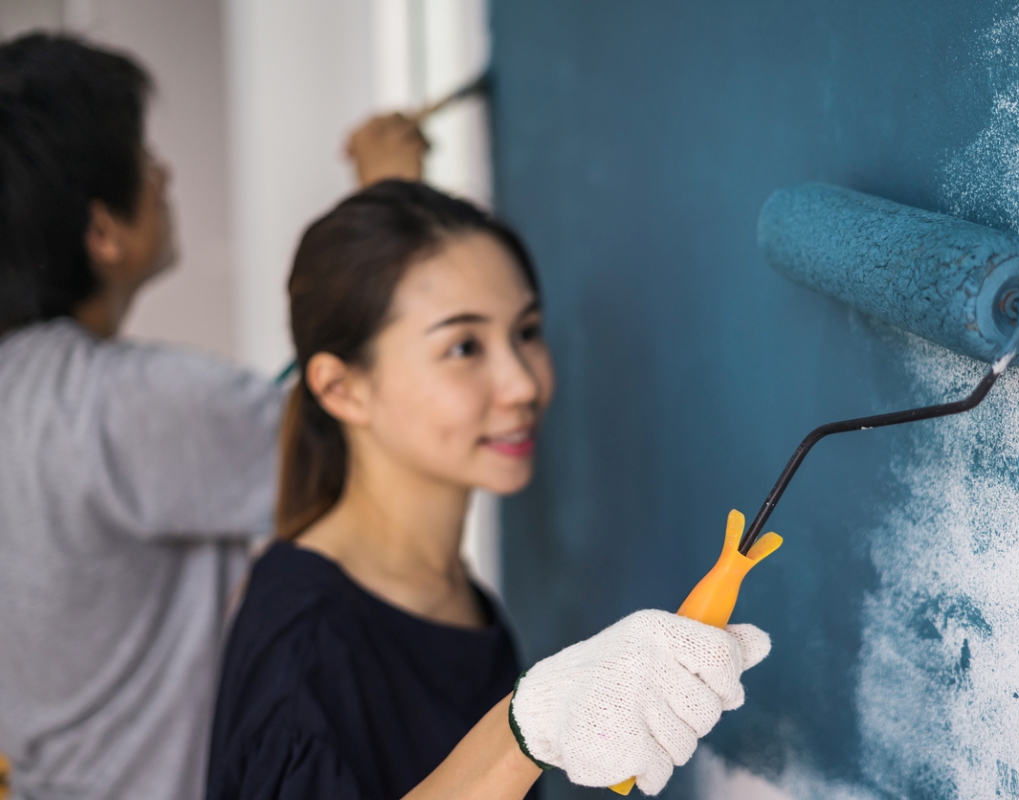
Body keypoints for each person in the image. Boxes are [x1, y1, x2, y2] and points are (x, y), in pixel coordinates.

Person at [205, 180, 772, 799]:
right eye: (464, 346)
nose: (522, 384)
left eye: (526, 331)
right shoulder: (302, 640)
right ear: (342, 389)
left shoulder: (463, 604)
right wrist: (521, 733)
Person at [0, 33, 426, 800]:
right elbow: (348, 428)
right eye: (144, 156)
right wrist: (390, 204)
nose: (163, 175)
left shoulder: (29, 394)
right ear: (104, 233)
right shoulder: (121, 404)